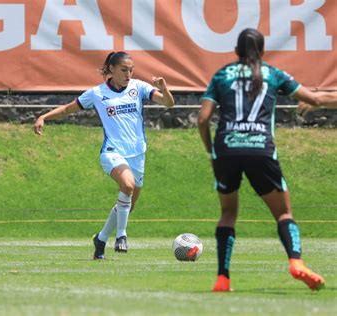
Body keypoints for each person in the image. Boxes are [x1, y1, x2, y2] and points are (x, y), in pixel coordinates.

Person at [198, 28, 329, 292]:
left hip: (227, 149)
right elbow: (314, 98)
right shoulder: (273, 73)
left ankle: (223, 279)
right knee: (283, 212)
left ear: (235, 51)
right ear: (263, 51)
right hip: (261, 149)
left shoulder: (221, 75)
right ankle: (296, 262)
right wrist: (321, 103)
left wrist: (212, 152)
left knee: (228, 213)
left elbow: (202, 119)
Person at [34, 51, 174, 259]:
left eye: (131, 70)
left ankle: (100, 239)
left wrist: (164, 89)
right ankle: (121, 236)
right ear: (111, 69)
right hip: (112, 152)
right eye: (124, 70)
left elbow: (168, 103)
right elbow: (67, 109)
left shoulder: (139, 87)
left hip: (137, 154)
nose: (129, 74)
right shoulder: (97, 93)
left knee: (127, 204)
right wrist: (44, 117)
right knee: (127, 185)